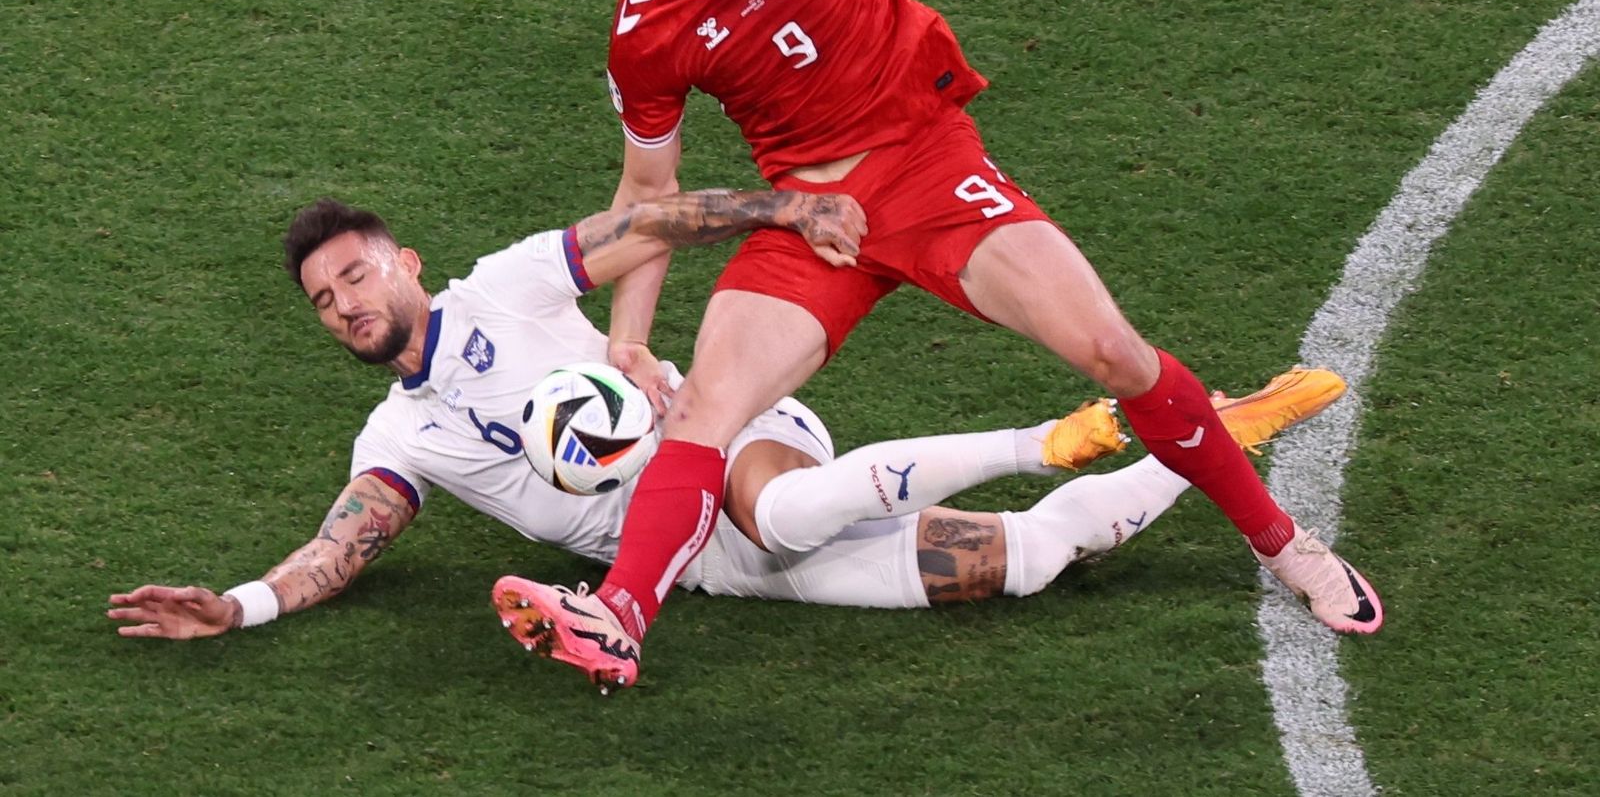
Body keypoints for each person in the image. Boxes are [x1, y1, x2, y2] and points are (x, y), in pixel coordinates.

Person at [504, 0, 1383, 688]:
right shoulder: (645, 32)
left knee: (1114, 353)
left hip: (928, 167)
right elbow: (650, 196)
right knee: (701, 413)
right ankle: (618, 615)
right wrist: (627, 340)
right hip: (813, 215)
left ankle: (1283, 544)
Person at [106, 196, 1345, 691]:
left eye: (355, 274)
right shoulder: (399, 434)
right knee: (1023, 564)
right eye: (325, 300)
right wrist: (239, 605)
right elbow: (345, 544)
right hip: (702, 561)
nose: (345, 303)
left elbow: (647, 222)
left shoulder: (504, 286)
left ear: (404, 262)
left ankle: (1053, 432)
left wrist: (769, 211)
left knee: (785, 509)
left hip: (730, 444)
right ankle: (1209, 433)